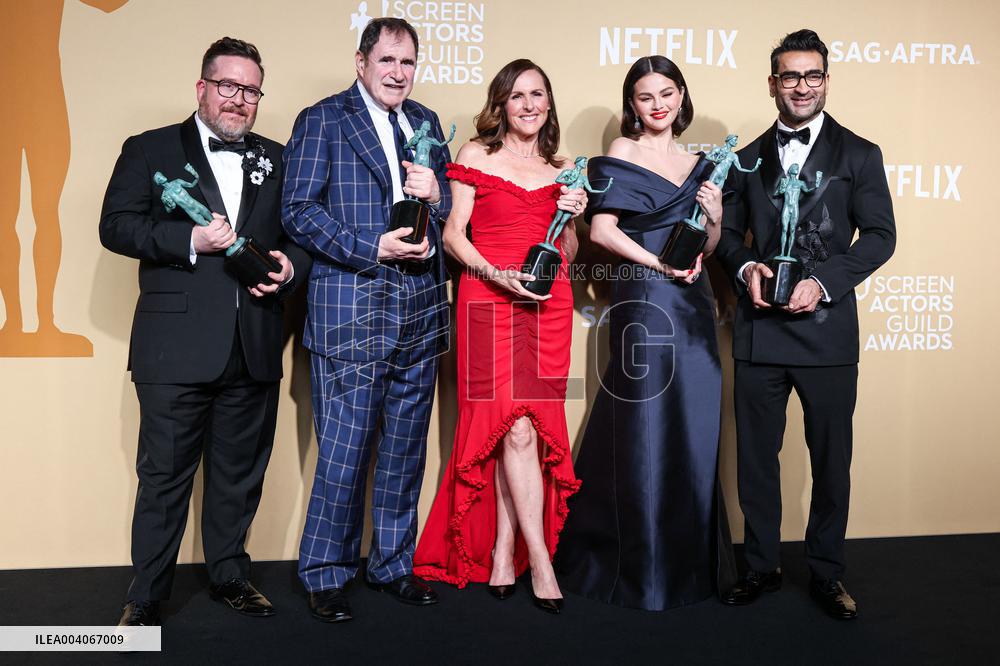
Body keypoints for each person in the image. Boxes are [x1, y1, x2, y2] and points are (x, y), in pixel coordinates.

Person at [99, 36, 311, 626]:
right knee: (163, 476)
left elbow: (302, 234)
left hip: (256, 343)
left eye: (250, 90)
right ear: (202, 88)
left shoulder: (281, 156)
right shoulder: (149, 149)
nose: (238, 100)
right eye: (228, 86)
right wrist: (187, 240)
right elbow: (115, 226)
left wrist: (294, 266)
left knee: (239, 477)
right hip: (175, 350)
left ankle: (229, 577)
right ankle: (146, 595)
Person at [714, 29, 895, 620]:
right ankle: (760, 567)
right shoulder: (746, 157)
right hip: (760, 331)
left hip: (827, 332)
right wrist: (746, 270)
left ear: (826, 80)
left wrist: (824, 282)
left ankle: (826, 573)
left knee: (829, 460)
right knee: (757, 461)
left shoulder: (860, 154)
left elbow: (880, 237)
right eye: (789, 76)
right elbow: (725, 240)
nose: (801, 86)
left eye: (812, 75)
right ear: (772, 83)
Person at [282, 17, 451, 624]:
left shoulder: (426, 122)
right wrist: (369, 247)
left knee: (405, 448)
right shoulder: (322, 119)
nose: (398, 74)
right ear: (361, 63)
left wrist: (438, 197)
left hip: (420, 309)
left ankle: (392, 565)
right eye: (387, 62)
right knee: (345, 451)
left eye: (407, 63)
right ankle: (327, 573)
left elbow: (447, 205)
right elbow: (297, 210)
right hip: (351, 309)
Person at [553, 56, 737, 610]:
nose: (657, 105)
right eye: (644, 96)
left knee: (694, 424)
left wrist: (718, 217)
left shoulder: (702, 161)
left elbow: (704, 250)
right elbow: (603, 232)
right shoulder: (620, 156)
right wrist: (658, 268)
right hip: (644, 296)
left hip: (694, 304)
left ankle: (688, 564)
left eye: (667, 93)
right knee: (645, 425)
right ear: (632, 104)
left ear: (682, 97)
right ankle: (637, 565)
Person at [413, 59, 588, 615]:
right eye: (517, 96)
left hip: (549, 305)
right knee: (509, 431)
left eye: (538, 94)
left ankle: (506, 546)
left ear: (549, 103)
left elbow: (568, 258)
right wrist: (496, 275)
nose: (529, 104)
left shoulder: (564, 169)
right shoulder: (475, 156)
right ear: (501, 105)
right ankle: (541, 560)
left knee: (528, 433)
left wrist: (574, 218)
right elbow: (452, 237)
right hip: (488, 300)